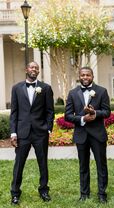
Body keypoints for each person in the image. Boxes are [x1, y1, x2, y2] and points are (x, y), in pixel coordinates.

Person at [10, 61, 54, 205]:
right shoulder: (16, 88)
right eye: (31, 67)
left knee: (43, 163)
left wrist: (48, 128)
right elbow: (14, 112)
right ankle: (15, 193)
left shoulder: (45, 88)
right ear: (26, 69)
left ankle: (44, 191)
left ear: (38, 71)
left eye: (36, 67)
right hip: (22, 133)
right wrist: (13, 133)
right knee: (19, 164)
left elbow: (50, 111)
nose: (33, 69)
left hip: (40, 133)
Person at [65, 66, 110, 203]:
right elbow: (67, 115)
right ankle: (84, 193)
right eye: (83, 75)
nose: (85, 77)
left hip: (97, 134)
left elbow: (107, 112)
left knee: (101, 165)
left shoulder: (102, 91)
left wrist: (94, 113)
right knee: (83, 165)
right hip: (81, 134)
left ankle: (102, 194)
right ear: (79, 76)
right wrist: (83, 119)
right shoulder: (73, 93)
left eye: (88, 75)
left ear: (92, 76)